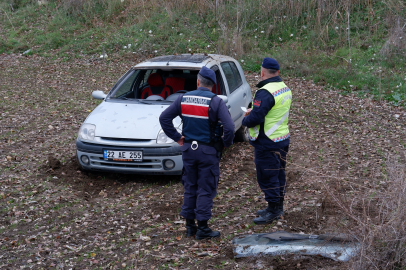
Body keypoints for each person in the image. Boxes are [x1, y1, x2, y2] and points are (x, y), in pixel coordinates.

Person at [159, 66, 234, 239]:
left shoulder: (183, 98)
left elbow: (164, 118)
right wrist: (225, 144)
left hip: (188, 151)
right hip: (208, 151)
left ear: (198, 82)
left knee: (190, 186)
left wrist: (177, 137)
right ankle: (203, 228)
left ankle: (189, 226)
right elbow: (229, 127)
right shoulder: (216, 101)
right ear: (213, 86)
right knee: (205, 188)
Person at [242, 58, 292, 225]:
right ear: (277, 72)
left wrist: (245, 120)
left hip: (267, 142)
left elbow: (256, 117)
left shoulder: (265, 92)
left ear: (262, 72)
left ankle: (272, 210)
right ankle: (278, 207)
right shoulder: (284, 88)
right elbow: (274, 112)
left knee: (267, 176)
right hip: (282, 139)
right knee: (278, 175)